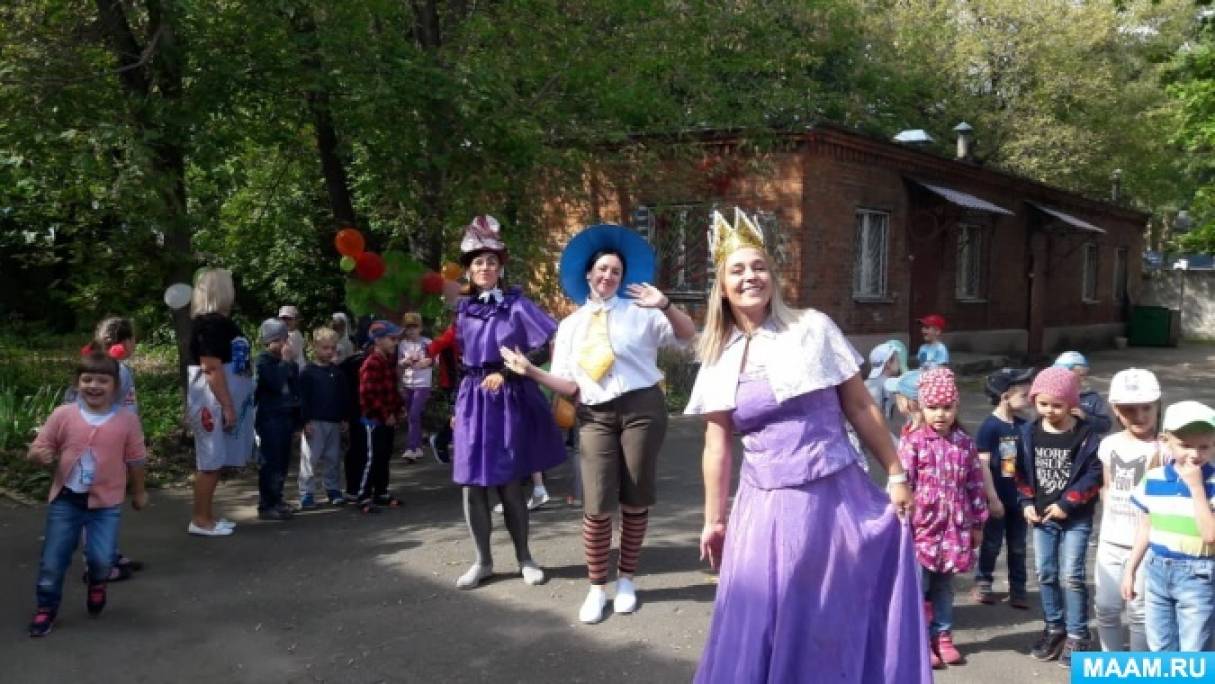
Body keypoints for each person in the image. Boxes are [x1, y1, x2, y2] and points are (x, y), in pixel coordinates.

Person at [686, 208, 930, 683]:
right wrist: (715, 520)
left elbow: (860, 407)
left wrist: (897, 472)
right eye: (736, 270)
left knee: (827, 612)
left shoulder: (813, 328)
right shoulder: (717, 356)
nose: (749, 276)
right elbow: (717, 444)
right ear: (721, 286)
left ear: (773, 276)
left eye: (758, 267)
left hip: (834, 498)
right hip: (765, 505)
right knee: (764, 614)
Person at [500, 223, 695, 623]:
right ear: (588, 274)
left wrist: (666, 305)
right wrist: (530, 372)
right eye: (602, 269)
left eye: (616, 272)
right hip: (594, 414)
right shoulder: (570, 326)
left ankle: (626, 580)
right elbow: (569, 383)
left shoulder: (642, 311)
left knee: (635, 496)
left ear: (623, 278)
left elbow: (687, 336)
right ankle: (596, 587)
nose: (608, 276)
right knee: (597, 502)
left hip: (642, 408)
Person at [449, 215, 565, 590]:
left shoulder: (517, 305)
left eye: (491, 262)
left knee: (510, 482)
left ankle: (524, 558)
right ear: (469, 269)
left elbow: (546, 344)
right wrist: (456, 407)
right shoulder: (463, 309)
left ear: (501, 268)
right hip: (472, 399)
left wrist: (511, 371)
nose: (485, 268)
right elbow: (460, 360)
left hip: (507, 398)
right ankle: (482, 561)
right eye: (478, 262)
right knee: (471, 484)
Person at [27, 351, 148, 637]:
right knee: (53, 561)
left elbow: (136, 458)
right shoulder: (64, 414)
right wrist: (38, 455)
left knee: (102, 559)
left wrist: (139, 491)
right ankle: (46, 609)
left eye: (102, 380)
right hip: (66, 500)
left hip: (106, 504)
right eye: (87, 379)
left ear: (116, 386)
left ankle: (97, 582)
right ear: (76, 382)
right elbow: (39, 445)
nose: (94, 385)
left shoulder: (126, 420)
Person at [899, 368, 989, 668]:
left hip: (954, 529)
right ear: (921, 407)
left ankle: (944, 636)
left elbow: (975, 483)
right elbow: (902, 485)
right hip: (921, 529)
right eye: (933, 407)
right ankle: (921, 640)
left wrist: (978, 522)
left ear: (956, 407)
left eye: (947, 407)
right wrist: (901, 524)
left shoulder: (964, 443)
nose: (940, 414)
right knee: (919, 586)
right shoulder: (913, 442)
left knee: (944, 586)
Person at [1015, 366, 1103, 667]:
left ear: (1071, 404)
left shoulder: (1086, 436)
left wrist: (1068, 502)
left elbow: (1094, 474)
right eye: (1043, 404)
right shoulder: (1027, 433)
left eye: (1058, 404)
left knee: (1072, 576)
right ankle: (1054, 628)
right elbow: (1019, 472)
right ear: (1034, 401)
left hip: (1074, 517)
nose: (1050, 410)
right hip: (1041, 518)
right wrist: (1026, 500)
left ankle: (1078, 635)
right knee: (1046, 572)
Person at [1122, 400, 1215, 652]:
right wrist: (1130, 569)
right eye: (1185, 445)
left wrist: (1197, 488)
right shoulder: (1154, 479)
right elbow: (1146, 527)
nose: (1195, 454)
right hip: (1157, 570)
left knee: (1194, 649)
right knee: (1160, 646)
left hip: (1198, 573)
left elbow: (1210, 535)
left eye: (1204, 446)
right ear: (1166, 441)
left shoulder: (1212, 483)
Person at [1094, 368, 1161, 652]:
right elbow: (1107, 486)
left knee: (1139, 612)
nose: (1139, 415)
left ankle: (1138, 670)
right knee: (1106, 608)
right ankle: (1112, 666)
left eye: (1146, 407)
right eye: (1129, 409)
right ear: (1116, 410)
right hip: (1110, 541)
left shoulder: (1164, 449)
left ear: (1158, 405)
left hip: (1147, 544)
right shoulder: (1109, 444)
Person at [186, 268, 255, 537]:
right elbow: (211, 367)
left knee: (215, 460)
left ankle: (207, 516)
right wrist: (227, 405)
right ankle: (200, 520)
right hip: (212, 404)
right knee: (210, 462)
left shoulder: (217, 323)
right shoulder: (210, 325)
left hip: (217, 402)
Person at [76, 317, 144, 582]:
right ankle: (95, 565)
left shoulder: (99, 366)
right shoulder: (116, 371)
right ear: (124, 342)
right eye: (133, 339)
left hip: (106, 445)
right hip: (106, 447)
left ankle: (108, 553)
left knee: (108, 503)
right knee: (98, 505)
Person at [973, 367, 1037, 610]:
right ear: (1005, 397)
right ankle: (983, 581)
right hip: (997, 497)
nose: (1028, 399)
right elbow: (983, 465)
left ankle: (1018, 588)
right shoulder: (990, 427)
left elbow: (1017, 464)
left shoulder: (1023, 425)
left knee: (1018, 545)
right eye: (1023, 395)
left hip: (1019, 498)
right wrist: (992, 498)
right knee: (991, 542)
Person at [356, 320, 405, 513]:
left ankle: (381, 492)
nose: (395, 342)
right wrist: (385, 414)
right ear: (378, 340)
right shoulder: (371, 363)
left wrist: (399, 408)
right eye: (392, 339)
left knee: (384, 456)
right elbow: (368, 393)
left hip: (388, 418)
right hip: (374, 419)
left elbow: (391, 390)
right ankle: (363, 495)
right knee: (372, 457)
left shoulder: (387, 361)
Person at [298, 327, 350, 509]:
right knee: (309, 459)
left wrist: (344, 418)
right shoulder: (307, 372)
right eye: (325, 348)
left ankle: (333, 489)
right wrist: (305, 421)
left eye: (332, 348)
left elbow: (343, 396)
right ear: (315, 347)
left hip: (334, 422)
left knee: (333, 458)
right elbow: (302, 398)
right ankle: (306, 494)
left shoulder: (337, 373)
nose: (329, 352)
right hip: (314, 422)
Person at [254, 318, 301, 521]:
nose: (285, 345)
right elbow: (274, 382)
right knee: (271, 462)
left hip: (286, 416)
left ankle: (278, 498)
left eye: (285, 340)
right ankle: (266, 504)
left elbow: (295, 387)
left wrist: (299, 420)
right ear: (271, 341)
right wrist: (285, 362)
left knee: (283, 462)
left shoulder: (286, 362)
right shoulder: (263, 361)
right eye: (281, 340)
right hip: (270, 418)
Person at [397, 312, 432, 463]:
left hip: (422, 384)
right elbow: (399, 362)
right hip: (408, 383)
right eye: (408, 328)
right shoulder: (403, 344)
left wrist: (426, 362)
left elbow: (434, 359)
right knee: (412, 417)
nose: (411, 331)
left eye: (414, 327)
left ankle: (411, 448)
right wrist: (404, 361)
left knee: (413, 414)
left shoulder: (427, 343)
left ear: (420, 328)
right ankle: (417, 447)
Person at [1053, 351, 1113, 435]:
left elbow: (1105, 425)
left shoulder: (1091, 398)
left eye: (1084, 375)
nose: (1083, 379)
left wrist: (1086, 417)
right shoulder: (1049, 396)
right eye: (1080, 375)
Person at [279, 305, 307, 370]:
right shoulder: (284, 334)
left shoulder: (294, 335)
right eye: (283, 318)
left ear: (296, 321)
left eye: (289, 319)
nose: (286, 321)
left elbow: (291, 354)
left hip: (298, 369)